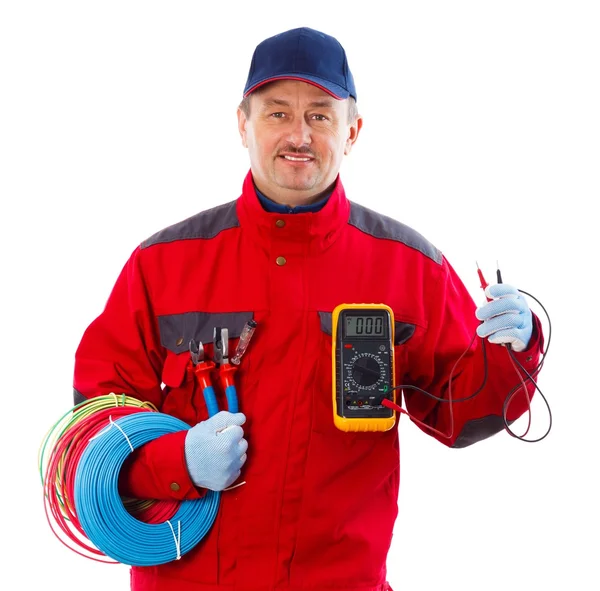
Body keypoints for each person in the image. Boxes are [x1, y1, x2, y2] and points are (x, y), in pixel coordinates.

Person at [73, 26, 544, 591]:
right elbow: (93, 438)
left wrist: (514, 350)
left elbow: (457, 413)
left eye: (320, 115)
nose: (299, 134)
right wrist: (179, 464)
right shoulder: (162, 266)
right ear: (243, 124)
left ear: (352, 132)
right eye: (277, 113)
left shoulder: (408, 266)